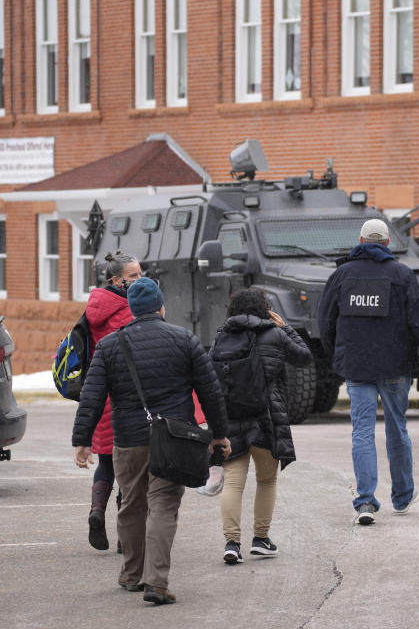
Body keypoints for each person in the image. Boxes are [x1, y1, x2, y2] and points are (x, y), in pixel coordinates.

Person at [72, 277, 231, 605]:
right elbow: (210, 391)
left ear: (131, 308)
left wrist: (82, 440)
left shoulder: (111, 345)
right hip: (173, 439)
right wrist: (218, 435)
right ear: (161, 306)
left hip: (128, 440)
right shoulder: (184, 339)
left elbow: (92, 395)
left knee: (131, 504)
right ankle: (156, 582)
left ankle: (132, 575)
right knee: (163, 506)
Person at [317, 218, 419, 526]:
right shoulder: (402, 275)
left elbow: (325, 323)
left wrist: (338, 355)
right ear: (388, 244)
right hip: (395, 367)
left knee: (361, 431)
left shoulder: (341, 275)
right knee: (397, 429)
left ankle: (364, 502)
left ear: (360, 241)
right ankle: (401, 497)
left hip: (357, 367)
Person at [213, 290, 312, 565]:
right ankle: (261, 539)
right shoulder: (275, 334)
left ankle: (232, 544)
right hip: (266, 418)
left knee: (233, 483)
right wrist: (287, 328)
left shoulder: (222, 335)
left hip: (232, 419)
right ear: (265, 310)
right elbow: (304, 357)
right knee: (266, 480)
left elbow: (211, 377)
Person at [83, 251, 140, 552]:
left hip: (101, 390)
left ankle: (95, 512)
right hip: (128, 394)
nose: (139, 280)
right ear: (117, 279)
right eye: (133, 276)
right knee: (130, 467)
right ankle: (123, 535)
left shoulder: (95, 304)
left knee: (107, 461)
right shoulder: (128, 309)